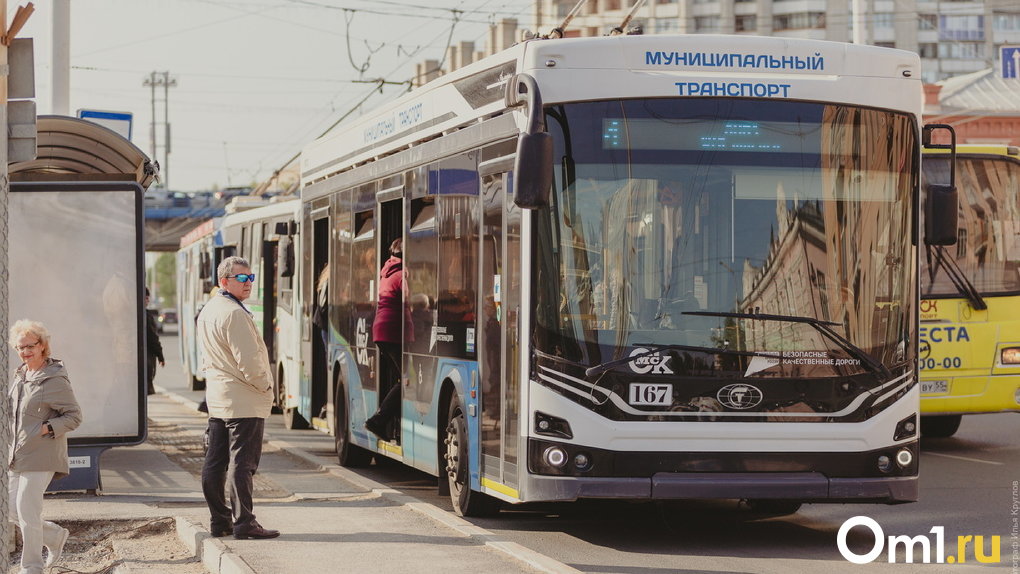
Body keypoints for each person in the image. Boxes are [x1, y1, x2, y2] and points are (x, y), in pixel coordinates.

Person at [197, 256, 279, 540]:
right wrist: (266, 387)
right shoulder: (234, 313)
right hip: (243, 399)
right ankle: (245, 523)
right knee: (243, 463)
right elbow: (250, 361)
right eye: (241, 278)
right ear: (224, 281)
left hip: (219, 399)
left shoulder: (210, 309)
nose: (248, 283)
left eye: (251, 277)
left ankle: (220, 521)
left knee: (215, 461)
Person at [8, 319, 83, 574]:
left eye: (30, 346)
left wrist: (46, 428)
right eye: (20, 347)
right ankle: (52, 536)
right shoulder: (21, 376)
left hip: (42, 454)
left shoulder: (53, 379)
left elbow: (74, 416)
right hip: (17, 455)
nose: (25, 352)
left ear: (42, 346)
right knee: (9, 507)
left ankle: (31, 567)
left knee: (28, 513)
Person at [365, 238, 412, 441]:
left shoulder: (387, 272)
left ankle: (389, 425)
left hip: (381, 331)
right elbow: (410, 300)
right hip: (393, 331)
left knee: (401, 379)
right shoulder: (402, 274)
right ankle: (378, 421)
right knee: (407, 381)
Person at [145, 287, 165, 395]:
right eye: (146, 298)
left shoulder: (129, 314)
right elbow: (153, 339)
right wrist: (160, 356)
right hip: (146, 361)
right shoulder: (147, 316)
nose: (147, 301)